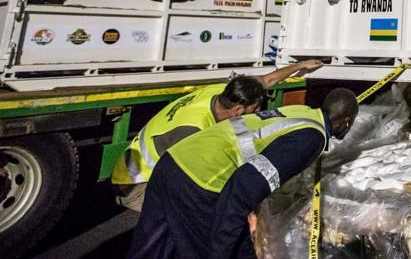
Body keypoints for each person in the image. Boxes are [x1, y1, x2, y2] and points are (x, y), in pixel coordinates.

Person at [128, 87, 359, 259]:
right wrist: (223, 250)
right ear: (346, 122)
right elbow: (243, 187)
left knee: (151, 247)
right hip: (201, 180)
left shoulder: (301, 112)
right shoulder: (312, 137)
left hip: (173, 161)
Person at [111, 59, 324, 211]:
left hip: (137, 168)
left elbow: (263, 81)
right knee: (206, 214)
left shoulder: (221, 92)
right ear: (239, 111)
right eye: (255, 109)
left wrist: (300, 66)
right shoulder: (193, 130)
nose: (257, 113)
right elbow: (186, 179)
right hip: (137, 185)